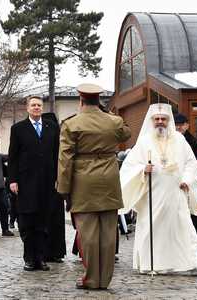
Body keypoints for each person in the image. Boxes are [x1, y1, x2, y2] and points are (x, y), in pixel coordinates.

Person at [57, 83, 131, 289]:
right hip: (109, 177)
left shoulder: (71, 124)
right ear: (99, 100)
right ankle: (104, 280)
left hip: (83, 180)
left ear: (80, 99)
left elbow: (65, 159)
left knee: (88, 233)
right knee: (108, 231)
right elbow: (126, 133)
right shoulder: (114, 121)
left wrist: (63, 188)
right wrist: (106, 113)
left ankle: (91, 279)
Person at [120, 103, 197, 274]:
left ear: (169, 121)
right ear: (152, 121)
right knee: (152, 229)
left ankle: (182, 263)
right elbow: (130, 166)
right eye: (157, 119)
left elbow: (191, 163)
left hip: (176, 192)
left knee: (179, 228)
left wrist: (187, 179)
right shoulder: (144, 141)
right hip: (152, 194)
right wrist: (142, 169)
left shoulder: (180, 139)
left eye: (164, 119)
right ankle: (152, 264)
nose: (160, 122)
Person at [8, 95, 60, 271]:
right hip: (25, 182)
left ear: (42, 107)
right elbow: (13, 156)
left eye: (39, 105)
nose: (37, 107)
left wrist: (58, 178)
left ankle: (41, 258)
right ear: (27, 108)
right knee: (28, 222)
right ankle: (29, 258)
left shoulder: (52, 128)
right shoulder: (18, 129)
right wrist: (12, 179)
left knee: (43, 223)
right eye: (33, 105)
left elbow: (56, 155)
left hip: (47, 182)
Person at [174, 113, 197, 252]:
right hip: (173, 186)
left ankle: (196, 253)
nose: (179, 127)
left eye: (182, 124)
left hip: (190, 186)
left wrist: (190, 179)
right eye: (177, 124)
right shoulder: (170, 141)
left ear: (187, 125)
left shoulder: (194, 142)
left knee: (194, 219)